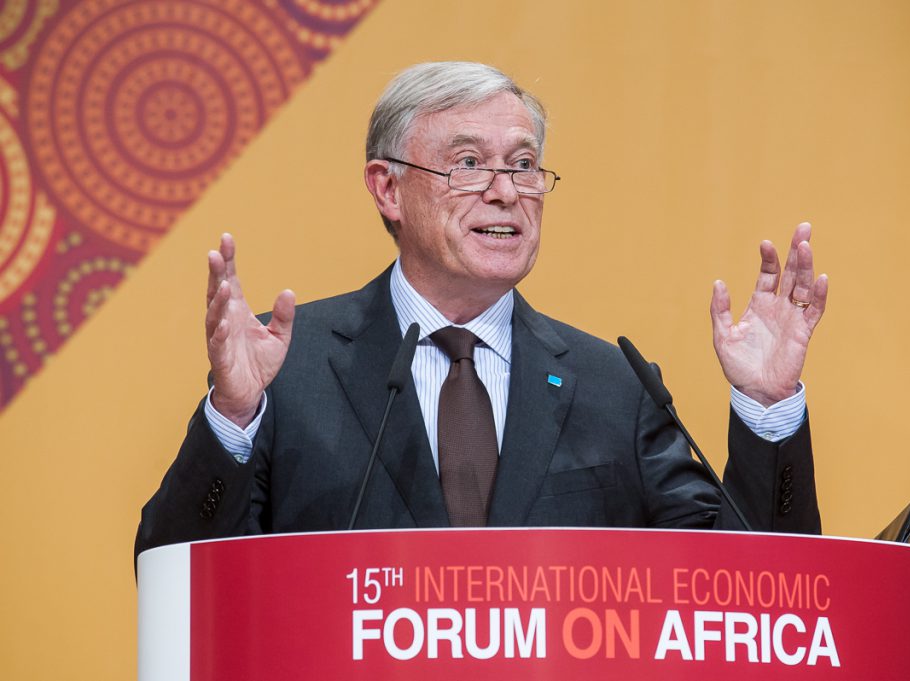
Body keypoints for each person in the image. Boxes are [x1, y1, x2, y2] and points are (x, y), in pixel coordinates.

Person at [135, 62, 828, 558]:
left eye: (525, 164)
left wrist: (768, 408)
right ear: (388, 189)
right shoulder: (289, 366)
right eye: (468, 163)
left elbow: (751, 591)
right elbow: (176, 575)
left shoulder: (613, 384)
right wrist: (230, 419)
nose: (506, 192)